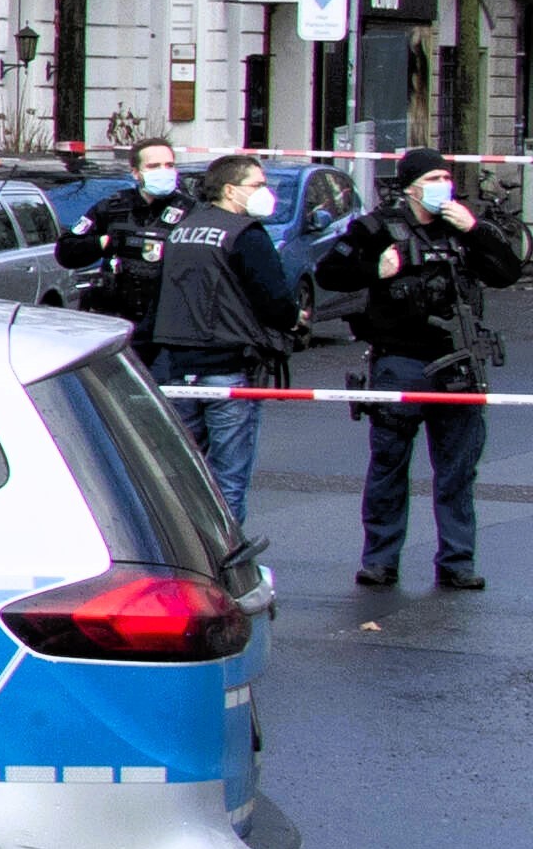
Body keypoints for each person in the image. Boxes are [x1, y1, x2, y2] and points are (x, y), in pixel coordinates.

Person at [313, 150, 516, 590]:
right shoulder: (376, 227)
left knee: (458, 471)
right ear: (410, 186)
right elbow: (329, 272)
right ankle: (381, 560)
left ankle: (457, 561)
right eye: (435, 177)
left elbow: (506, 272)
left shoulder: (461, 227)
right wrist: (375, 267)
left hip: (459, 365)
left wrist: (476, 230)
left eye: (447, 175)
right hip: (399, 362)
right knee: (388, 464)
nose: (445, 184)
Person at [143, 155, 298, 534]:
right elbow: (275, 301)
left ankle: (182, 550)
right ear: (231, 190)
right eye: (257, 185)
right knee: (228, 477)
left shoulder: (182, 230)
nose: (265, 193)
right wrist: (294, 320)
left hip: (179, 367)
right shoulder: (245, 233)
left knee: (181, 475)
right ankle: (225, 557)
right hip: (229, 367)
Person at [56, 136, 185, 342]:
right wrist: (107, 242)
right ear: (136, 172)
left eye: (169, 165)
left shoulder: (189, 210)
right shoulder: (113, 207)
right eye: (154, 166)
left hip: (171, 322)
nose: (163, 171)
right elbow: (66, 251)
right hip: (121, 318)